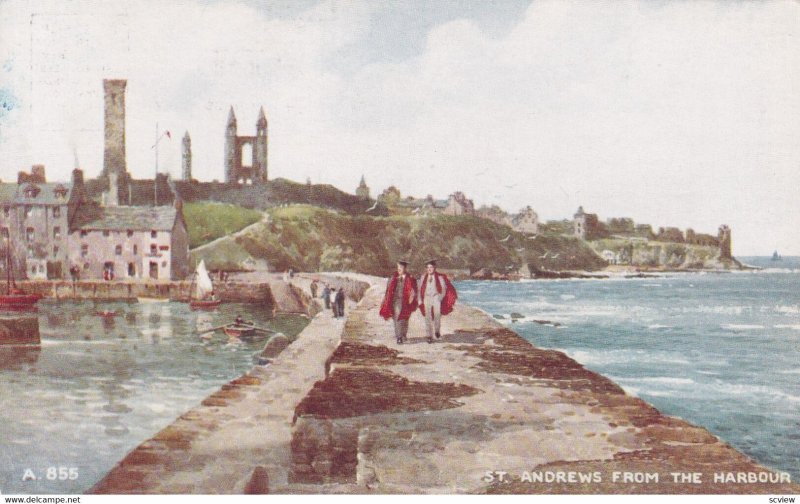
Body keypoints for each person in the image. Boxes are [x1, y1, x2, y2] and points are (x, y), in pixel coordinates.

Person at [379, 260, 418, 344]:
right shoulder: (393, 278)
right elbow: (388, 291)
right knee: (397, 317)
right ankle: (399, 336)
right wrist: (385, 300)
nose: (399, 269)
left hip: (406, 302)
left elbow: (414, 291)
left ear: (405, 268)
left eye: (401, 267)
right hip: (395, 301)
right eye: (398, 267)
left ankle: (403, 335)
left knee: (405, 319)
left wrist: (412, 299)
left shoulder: (410, 278)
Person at [418, 259, 458, 343]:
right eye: (428, 267)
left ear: (434, 268)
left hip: (436, 298)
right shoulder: (423, 277)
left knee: (437, 316)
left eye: (431, 267)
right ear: (426, 269)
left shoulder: (440, 277)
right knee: (427, 317)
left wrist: (440, 297)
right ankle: (429, 335)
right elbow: (419, 289)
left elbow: (443, 288)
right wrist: (419, 299)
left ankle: (437, 331)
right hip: (426, 298)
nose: (429, 269)